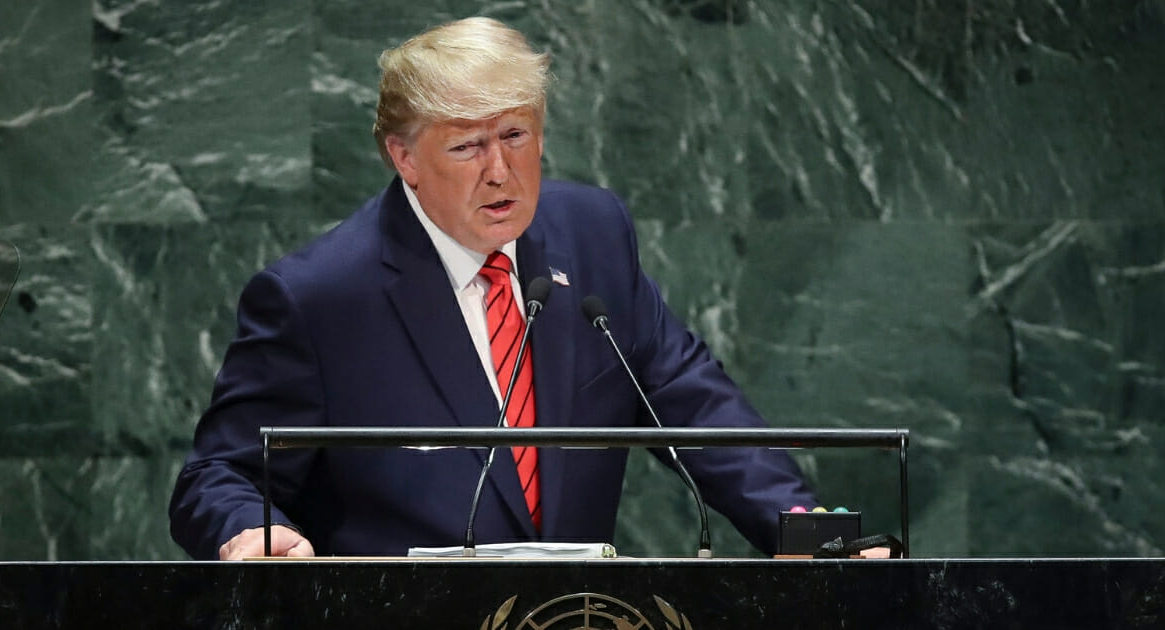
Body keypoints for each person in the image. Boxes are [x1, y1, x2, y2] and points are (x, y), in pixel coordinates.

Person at [168, 16, 816, 561]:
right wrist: (251, 529)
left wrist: (805, 531)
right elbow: (220, 475)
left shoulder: (593, 237)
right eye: (467, 147)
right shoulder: (319, 297)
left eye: (514, 136)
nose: (499, 171)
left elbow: (690, 404)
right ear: (405, 157)